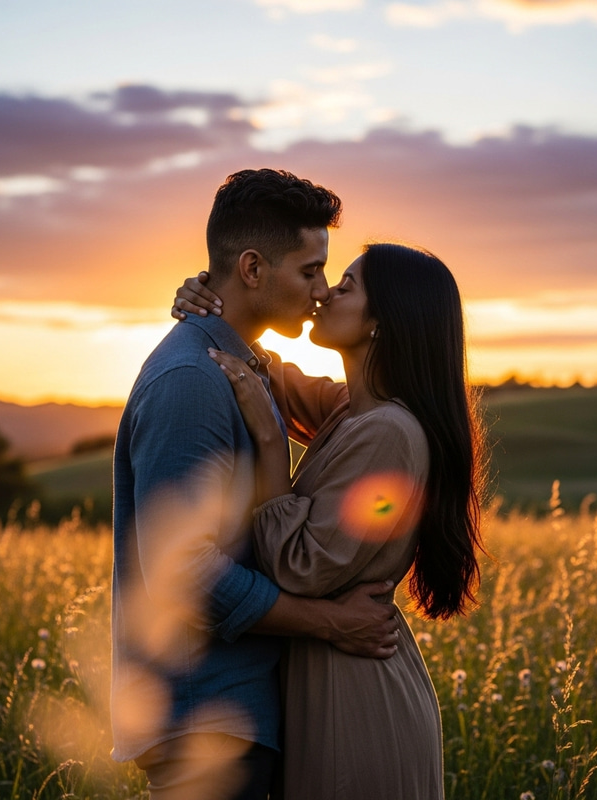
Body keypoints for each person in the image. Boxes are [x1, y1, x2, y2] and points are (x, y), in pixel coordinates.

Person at [111, 169, 401, 800]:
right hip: (202, 722)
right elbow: (182, 570)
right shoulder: (190, 380)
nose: (321, 291)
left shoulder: (240, 368)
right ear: (251, 268)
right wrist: (329, 623)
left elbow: (358, 408)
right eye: (310, 271)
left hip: (235, 718)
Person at [174, 242, 487, 799]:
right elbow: (268, 377)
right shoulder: (354, 410)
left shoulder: (388, 433)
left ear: (381, 324)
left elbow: (298, 568)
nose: (323, 294)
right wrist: (213, 301)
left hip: (357, 706)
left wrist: (272, 445)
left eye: (346, 285)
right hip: (333, 686)